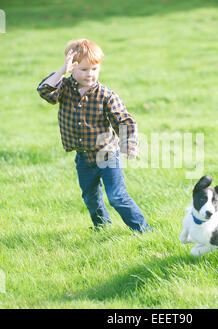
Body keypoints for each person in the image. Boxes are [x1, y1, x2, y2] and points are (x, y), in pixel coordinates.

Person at [37, 39, 151, 233]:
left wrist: (129, 145)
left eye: (94, 69)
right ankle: (102, 228)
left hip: (107, 155)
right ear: (72, 68)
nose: (89, 74)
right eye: (83, 69)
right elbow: (44, 91)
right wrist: (62, 71)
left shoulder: (106, 95)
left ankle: (143, 230)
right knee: (90, 197)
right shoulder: (63, 88)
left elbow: (124, 121)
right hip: (83, 158)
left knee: (116, 196)